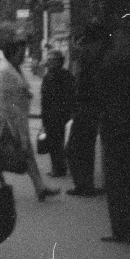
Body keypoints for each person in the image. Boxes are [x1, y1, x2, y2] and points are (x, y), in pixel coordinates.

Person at [0, 38, 58, 202]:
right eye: (21, 53)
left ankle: (40, 188)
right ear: (12, 54)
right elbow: (20, 91)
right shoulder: (5, 71)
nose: (23, 57)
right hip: (7, 122)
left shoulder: (13, 68)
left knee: (23, 154)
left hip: (15, 121)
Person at [96, 20, 130, 244]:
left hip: (114, 128)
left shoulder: (111, 62)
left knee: (116, 181)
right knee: (127, 180)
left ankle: (121, 230)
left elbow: (102, 94)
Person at [66, 23, 108, 196]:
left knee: (76, 147)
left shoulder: (89, 55)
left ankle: (84, 185)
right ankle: (86, 184)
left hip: (86, 106)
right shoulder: (98, 54)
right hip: (92, 106)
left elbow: (82, 82)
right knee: (85, 147)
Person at [39, 49, 76, 178]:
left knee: (57, 142)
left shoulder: (64, 76)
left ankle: (59, 168)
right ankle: (57, 167)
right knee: (53, 142)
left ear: (59, 62)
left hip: (59, 114)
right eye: (48, 60)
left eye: (52, 60)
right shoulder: (49, 75)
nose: (49, 62)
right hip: (49, 114)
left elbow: (69, 95)